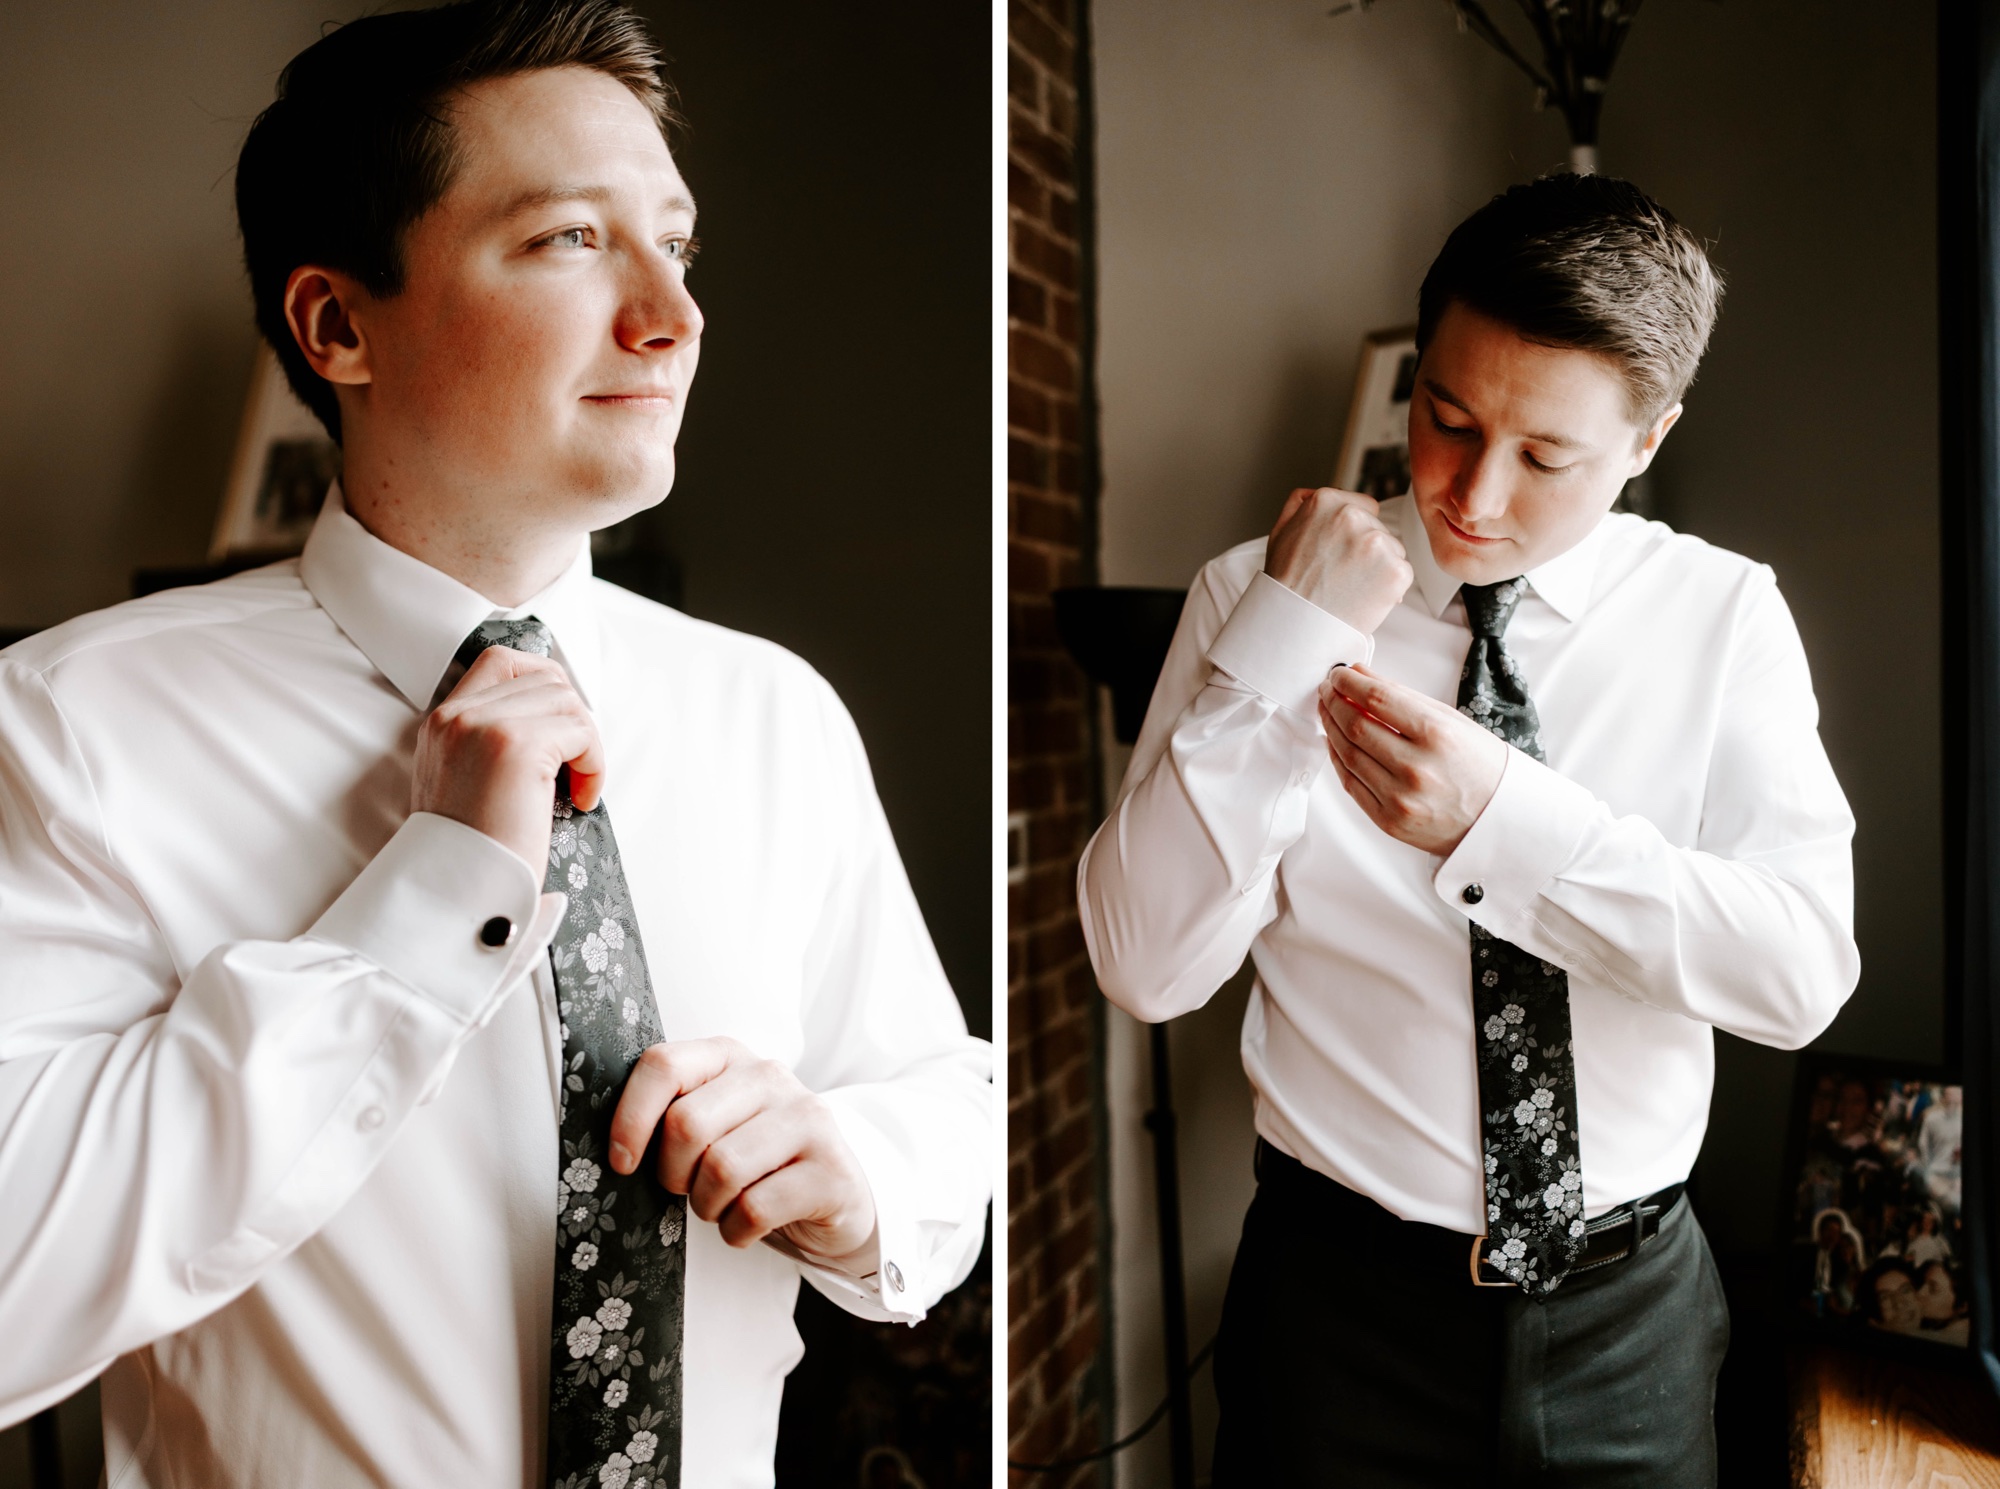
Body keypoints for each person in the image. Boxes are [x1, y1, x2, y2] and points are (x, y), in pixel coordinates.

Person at [0, 5, 990, 1486]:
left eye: (679, 245)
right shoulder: (73, 726)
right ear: (337, 326)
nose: (673, 315)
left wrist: (858, 1180)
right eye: (570, 241)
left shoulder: (772, 711)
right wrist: (431, 898)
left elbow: (935, 1102)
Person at [1078, 173, 1858, 1485]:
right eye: (1446, 418)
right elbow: (1143, 965)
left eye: (1545, 457)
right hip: (1336, 1321)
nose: (1473, 495)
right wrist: (1283, 647)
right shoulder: (1251, 595)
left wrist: (1504, 823)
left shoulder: (1721, 618)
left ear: (1649, 439)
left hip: (1631, 1329)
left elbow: (1797, 974)